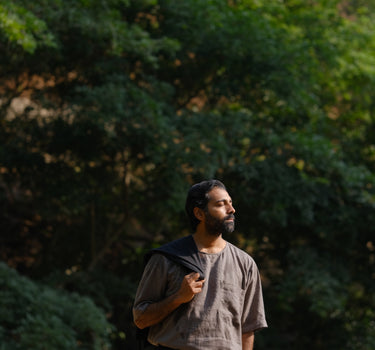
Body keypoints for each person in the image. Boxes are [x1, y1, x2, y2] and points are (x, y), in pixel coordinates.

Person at [133, 180, 267, 350]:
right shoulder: (166, 259)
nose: (231, 210)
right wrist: (178, 298)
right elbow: (141, 319)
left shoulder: (245, 263)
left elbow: (247, 329)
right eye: (221, 204)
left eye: (230, 203)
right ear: (199, 214)